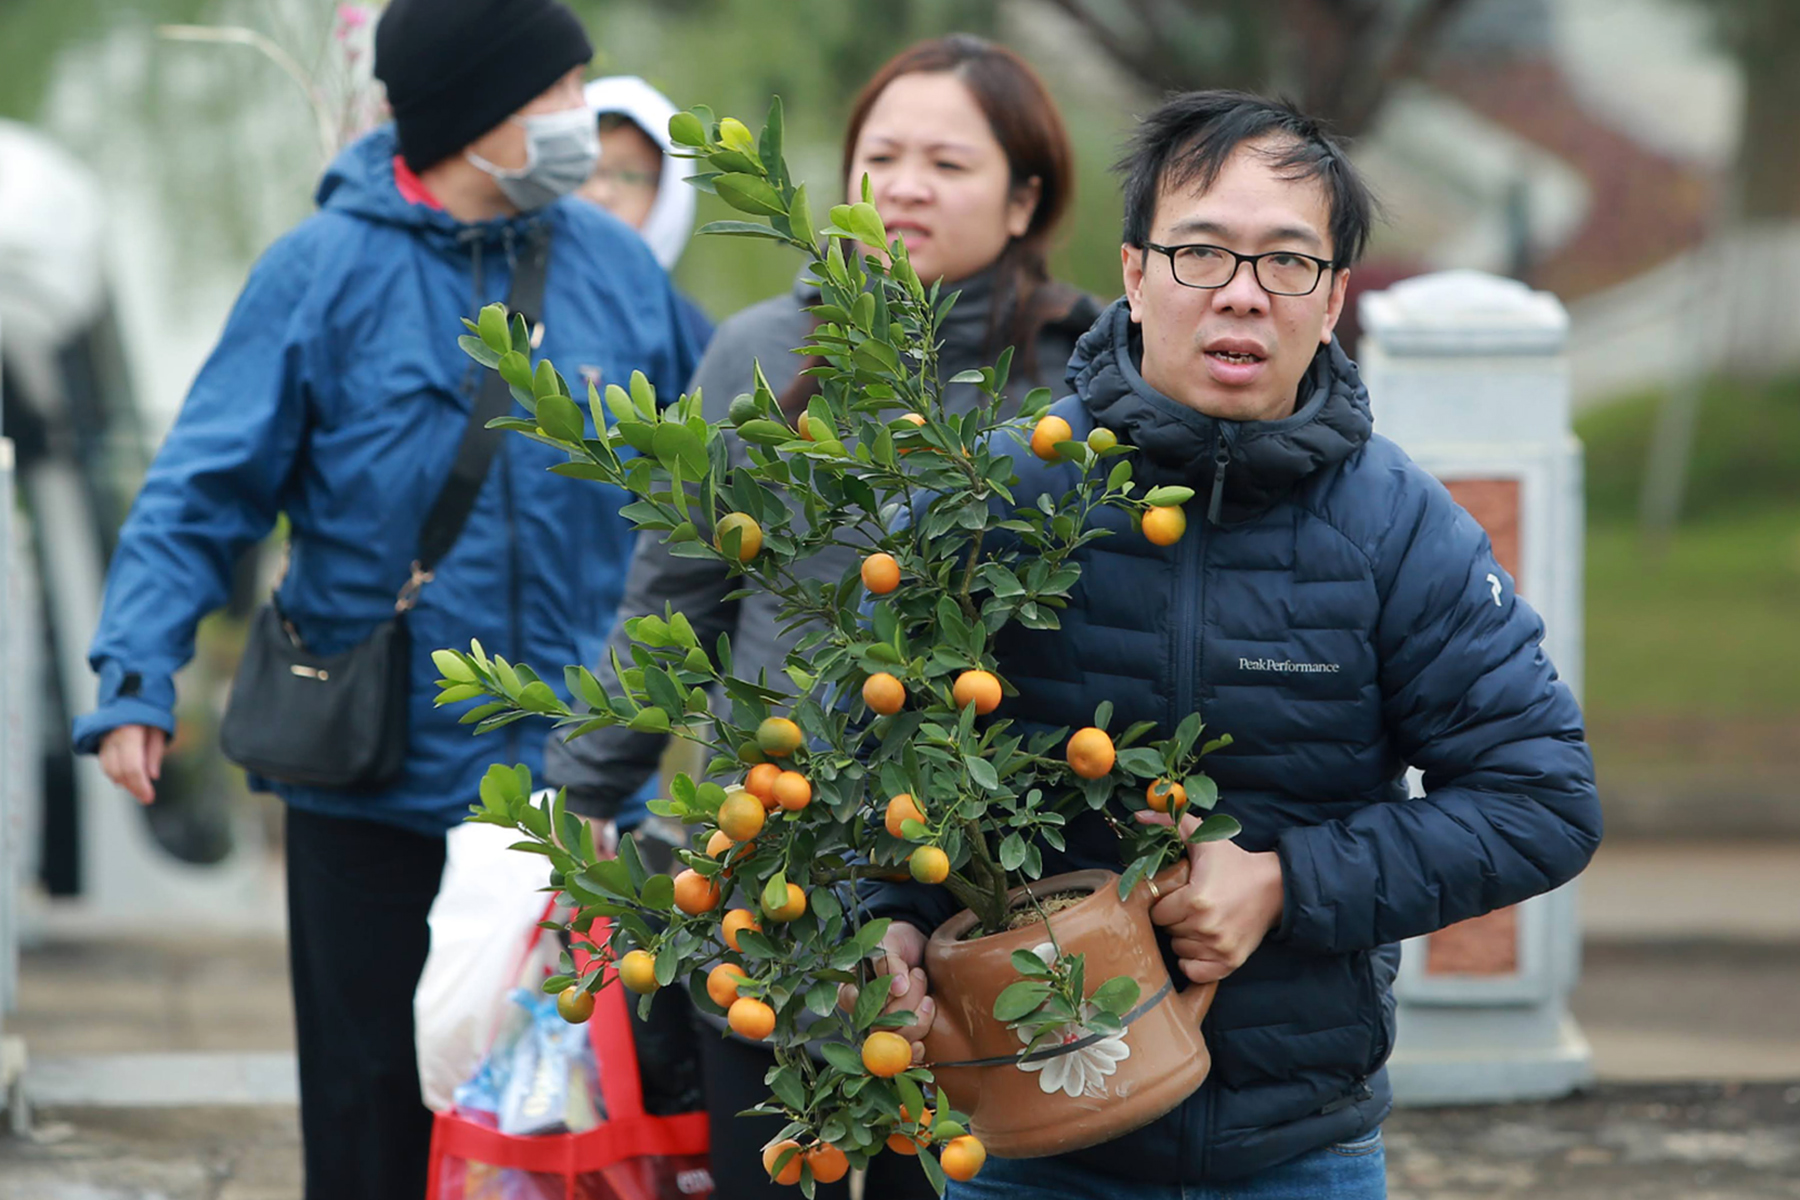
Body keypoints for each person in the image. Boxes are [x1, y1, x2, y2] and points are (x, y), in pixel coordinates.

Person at [859, 91, 1602, 1198]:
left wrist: (1284, 883)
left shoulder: (1397, 527)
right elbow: (863, 766)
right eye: (1201, 251)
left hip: (1294, 1148)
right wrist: (882, 925)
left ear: (1337, 295)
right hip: (1024, 1140)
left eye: (1288, 262)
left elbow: (1542, 802)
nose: (1243, 294)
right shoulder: (1000, 501)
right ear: (1133, 271)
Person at [71, 0, 701, 1195]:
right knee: (369, 1117)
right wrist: (136, 675)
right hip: (376, 783)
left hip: (574, 789)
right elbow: (202, 492)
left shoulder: (613, 266)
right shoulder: (322, 274)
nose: (584, 122)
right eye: (560, 95)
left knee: (574, 1119)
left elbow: (714, 479)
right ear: (475, 114)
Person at [543, 34, 1099, 1200]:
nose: (903, 185)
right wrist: (583, 797)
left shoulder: (1080, 379)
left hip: (995, 890)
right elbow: (674, 604)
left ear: (1025, 196)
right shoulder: (758, 356)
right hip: (779, 868)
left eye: (947, 162)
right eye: (880, 156)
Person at [580, 74, 716, 354]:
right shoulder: (509, 304)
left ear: (668, 190)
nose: (600, 193)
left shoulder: (693, 340)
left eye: (628, 175)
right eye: (583, 170)